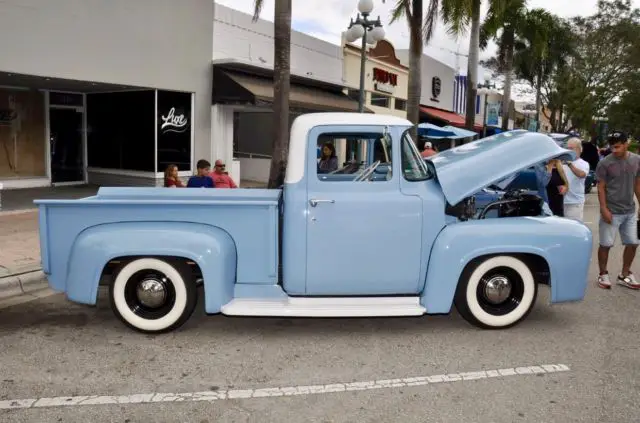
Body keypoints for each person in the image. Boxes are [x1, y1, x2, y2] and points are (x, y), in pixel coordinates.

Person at [595, 131, 640, 290]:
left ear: (626, 143)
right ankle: (603, 273)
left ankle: (625, 274)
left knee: (633, 243)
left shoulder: (636, 160)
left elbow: (637, 184)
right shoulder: (605, 163)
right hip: (611, 211)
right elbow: (600, 187)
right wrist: (604, 209)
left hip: (629, 211)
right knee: (606, 244)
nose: (614, 150)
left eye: (618, 146)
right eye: (612, 147)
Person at [562, 138, 590, 221]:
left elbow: (581, 174)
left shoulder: (583, 163)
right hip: (561, 201)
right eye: (567, 148)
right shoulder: (561, 162)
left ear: (579, 149)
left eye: (571, 148)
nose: (569, 150)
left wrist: (569, 164)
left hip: (574, 202)